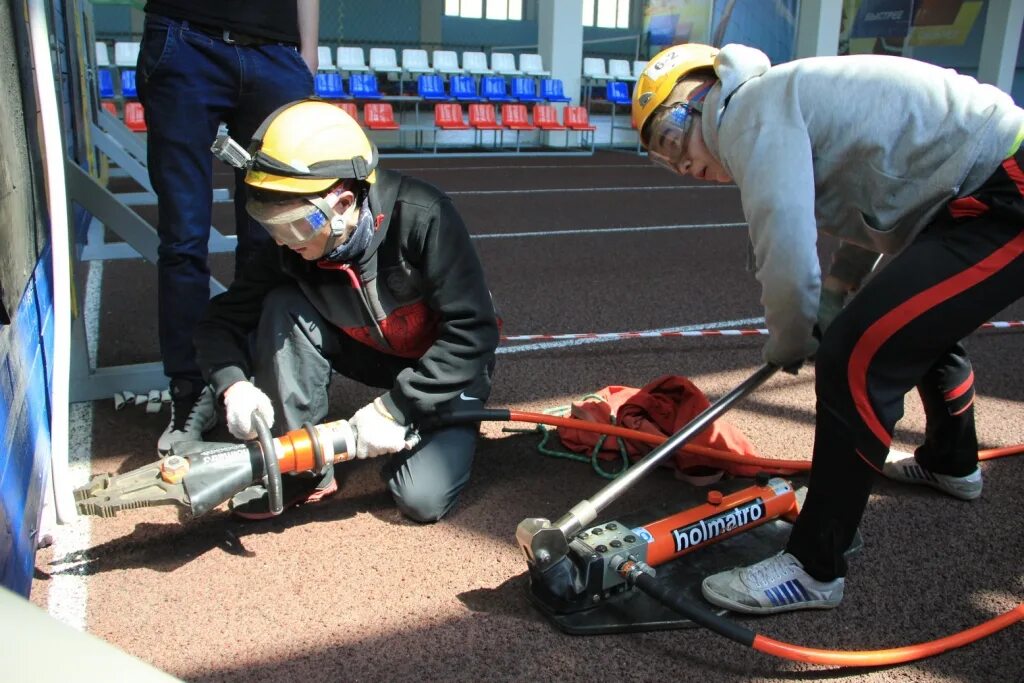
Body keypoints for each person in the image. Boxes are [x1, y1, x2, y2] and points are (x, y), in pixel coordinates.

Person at [632, 43, 1024, 613]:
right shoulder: (785, 101)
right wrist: (837, 297)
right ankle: (951, 462)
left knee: (855, 358)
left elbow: (786, 250)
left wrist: (794, 339)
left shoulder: (748, 110)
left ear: (702, 94)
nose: (681, 164)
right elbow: (868, 214)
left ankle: (813, 568)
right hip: (971, 195)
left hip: (1003, 192)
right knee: (908, 322)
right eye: (661, 157)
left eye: (670, 135)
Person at [194, 99, 500, 522]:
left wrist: (395, 409)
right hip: (370, 354)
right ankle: (303, 471)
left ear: (341, 202)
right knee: (283, 304)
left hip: (445, 368)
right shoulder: (289, 248)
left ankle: (428, 427)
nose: (283, 241)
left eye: (295, 224)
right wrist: (233, 386)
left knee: (420, 500)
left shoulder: (424, 215)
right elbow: (221, 321)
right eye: (271, 224)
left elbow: (474, 334)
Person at [136, 1, 320, 455]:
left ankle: (255, 374)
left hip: (277, 54)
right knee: (183, 237)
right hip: (185, 39)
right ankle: (191, 388)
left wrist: (306, 57)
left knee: (273, 237)